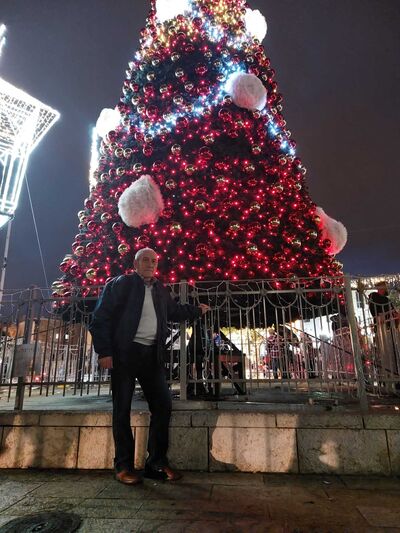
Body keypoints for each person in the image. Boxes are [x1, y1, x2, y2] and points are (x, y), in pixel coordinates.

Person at [89, 248, 209, 485]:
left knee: (163, 405)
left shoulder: (159, 289)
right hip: (125, 354)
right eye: (145, 260)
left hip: (151, 356)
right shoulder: (121, 285)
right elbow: (100, 318)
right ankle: (123, 466)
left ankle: (156, 463)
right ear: (135, 263)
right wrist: (105, 351)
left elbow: (173, 311)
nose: (150, 264)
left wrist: (197, 310)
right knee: (121, 409)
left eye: (154, 261)